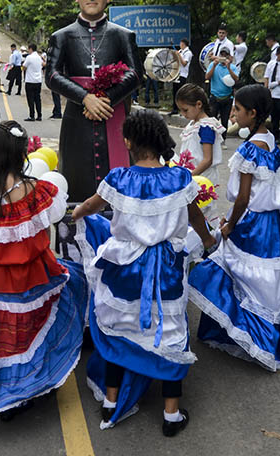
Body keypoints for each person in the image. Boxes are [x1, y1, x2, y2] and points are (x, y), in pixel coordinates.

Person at [72, 109, 214, 436]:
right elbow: (195, 216)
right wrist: (208, 241)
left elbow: (91, 206)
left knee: (118, 329)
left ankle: (110, 402)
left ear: (128, 142)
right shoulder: (180, 178)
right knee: (170, 333)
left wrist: (76, 213)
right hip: (165, 269)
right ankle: (171, 414)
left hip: (124, 269)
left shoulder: (117, 178)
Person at [0, 121, 86, 423]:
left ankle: (5, 397)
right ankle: (29, 388)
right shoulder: (37, 191)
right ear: (23, 153)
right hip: (33, 279)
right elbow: (54, 224)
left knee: (3, 342)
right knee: (36, 328)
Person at [189, 84, 280, 372]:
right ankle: (271, 339)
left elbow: (243, 198)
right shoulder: (269, 139)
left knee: (233, 271)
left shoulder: (250, 149)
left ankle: (253, 338)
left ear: (252, 113)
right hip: (272, 225)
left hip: (252, 223)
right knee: (264, 282)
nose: (233, 113)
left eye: (237, 109)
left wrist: (229, 224)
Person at [45, 0, 142, 202]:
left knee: (120, 189)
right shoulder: (62, 36)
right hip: (77, 122)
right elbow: (52, 75)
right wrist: (85, 97)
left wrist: (106, 98)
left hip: (115, 115)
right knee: (77, 185)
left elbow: (136, 73)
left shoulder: (123, 35)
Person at [175, 83, 226, 185]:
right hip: (193, 175)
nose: (183, 114)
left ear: (199, 104)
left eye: (185, 110)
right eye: (180, 110)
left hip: (202, 178)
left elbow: (207, 160)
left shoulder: (206, 126)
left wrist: (190, 176)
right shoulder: (193, 124)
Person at [205, 46, 239, 146]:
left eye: (225, 55)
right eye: (221, 55)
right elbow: (207, 77)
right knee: (212, 119)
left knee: (224, 120)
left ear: (228, 57)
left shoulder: (232, 67)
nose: (223, 57)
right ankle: (211, 139)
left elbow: (236, 79)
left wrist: (229, 68)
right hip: (214, 96)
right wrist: (214, 65)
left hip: (227, 97)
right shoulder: (213, 65)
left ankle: (223, 140)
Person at [169, 38, 192, 115]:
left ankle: (183, 110)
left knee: (181, 93)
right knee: (175, 92)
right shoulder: (180, 51)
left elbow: (184, 63)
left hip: (183, 75)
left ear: (183, 44)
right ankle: (175, 109)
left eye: (180, 44)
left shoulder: (188, 53)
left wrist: (179, 55)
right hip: (176, 74)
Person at [23, 42, 43, 121]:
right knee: (38, 98)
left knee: (30, 99)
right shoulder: (39, 57)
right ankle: (39, 115)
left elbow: (24, 67)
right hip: (38, 81)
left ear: (30, 49)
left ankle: (32, 115)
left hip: (30, 81)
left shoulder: (29, 57)